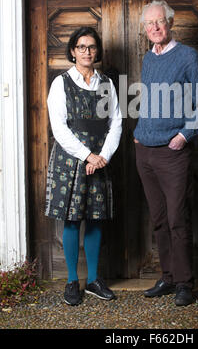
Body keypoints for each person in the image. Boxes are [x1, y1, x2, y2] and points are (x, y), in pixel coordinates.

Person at [134, 1, 198, 306]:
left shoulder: (188, 57)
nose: (154, 28)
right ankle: (167, 277)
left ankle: (184, 284)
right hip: (146, 152)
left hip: (173, 152)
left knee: (179, 218)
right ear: (145, 29)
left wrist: (184, 135)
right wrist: (140, 135)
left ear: (170, 23)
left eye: (160, 22)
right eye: (149, 24)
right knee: (159, 219)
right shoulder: (148, 59)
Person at [45, 26, 122, 306]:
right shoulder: (61, 83)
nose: (87, 51)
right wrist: (88, 156)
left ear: (97, 51)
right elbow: (60, 129)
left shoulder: (107, 84)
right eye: (81, 47)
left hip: (100, 158)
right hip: (71, 159)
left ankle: (92, 280)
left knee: (96, 217)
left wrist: (103, 156)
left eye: (91, 47)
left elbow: (116, 122)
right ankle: (71, 282)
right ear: (73, 52)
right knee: (73, 218)